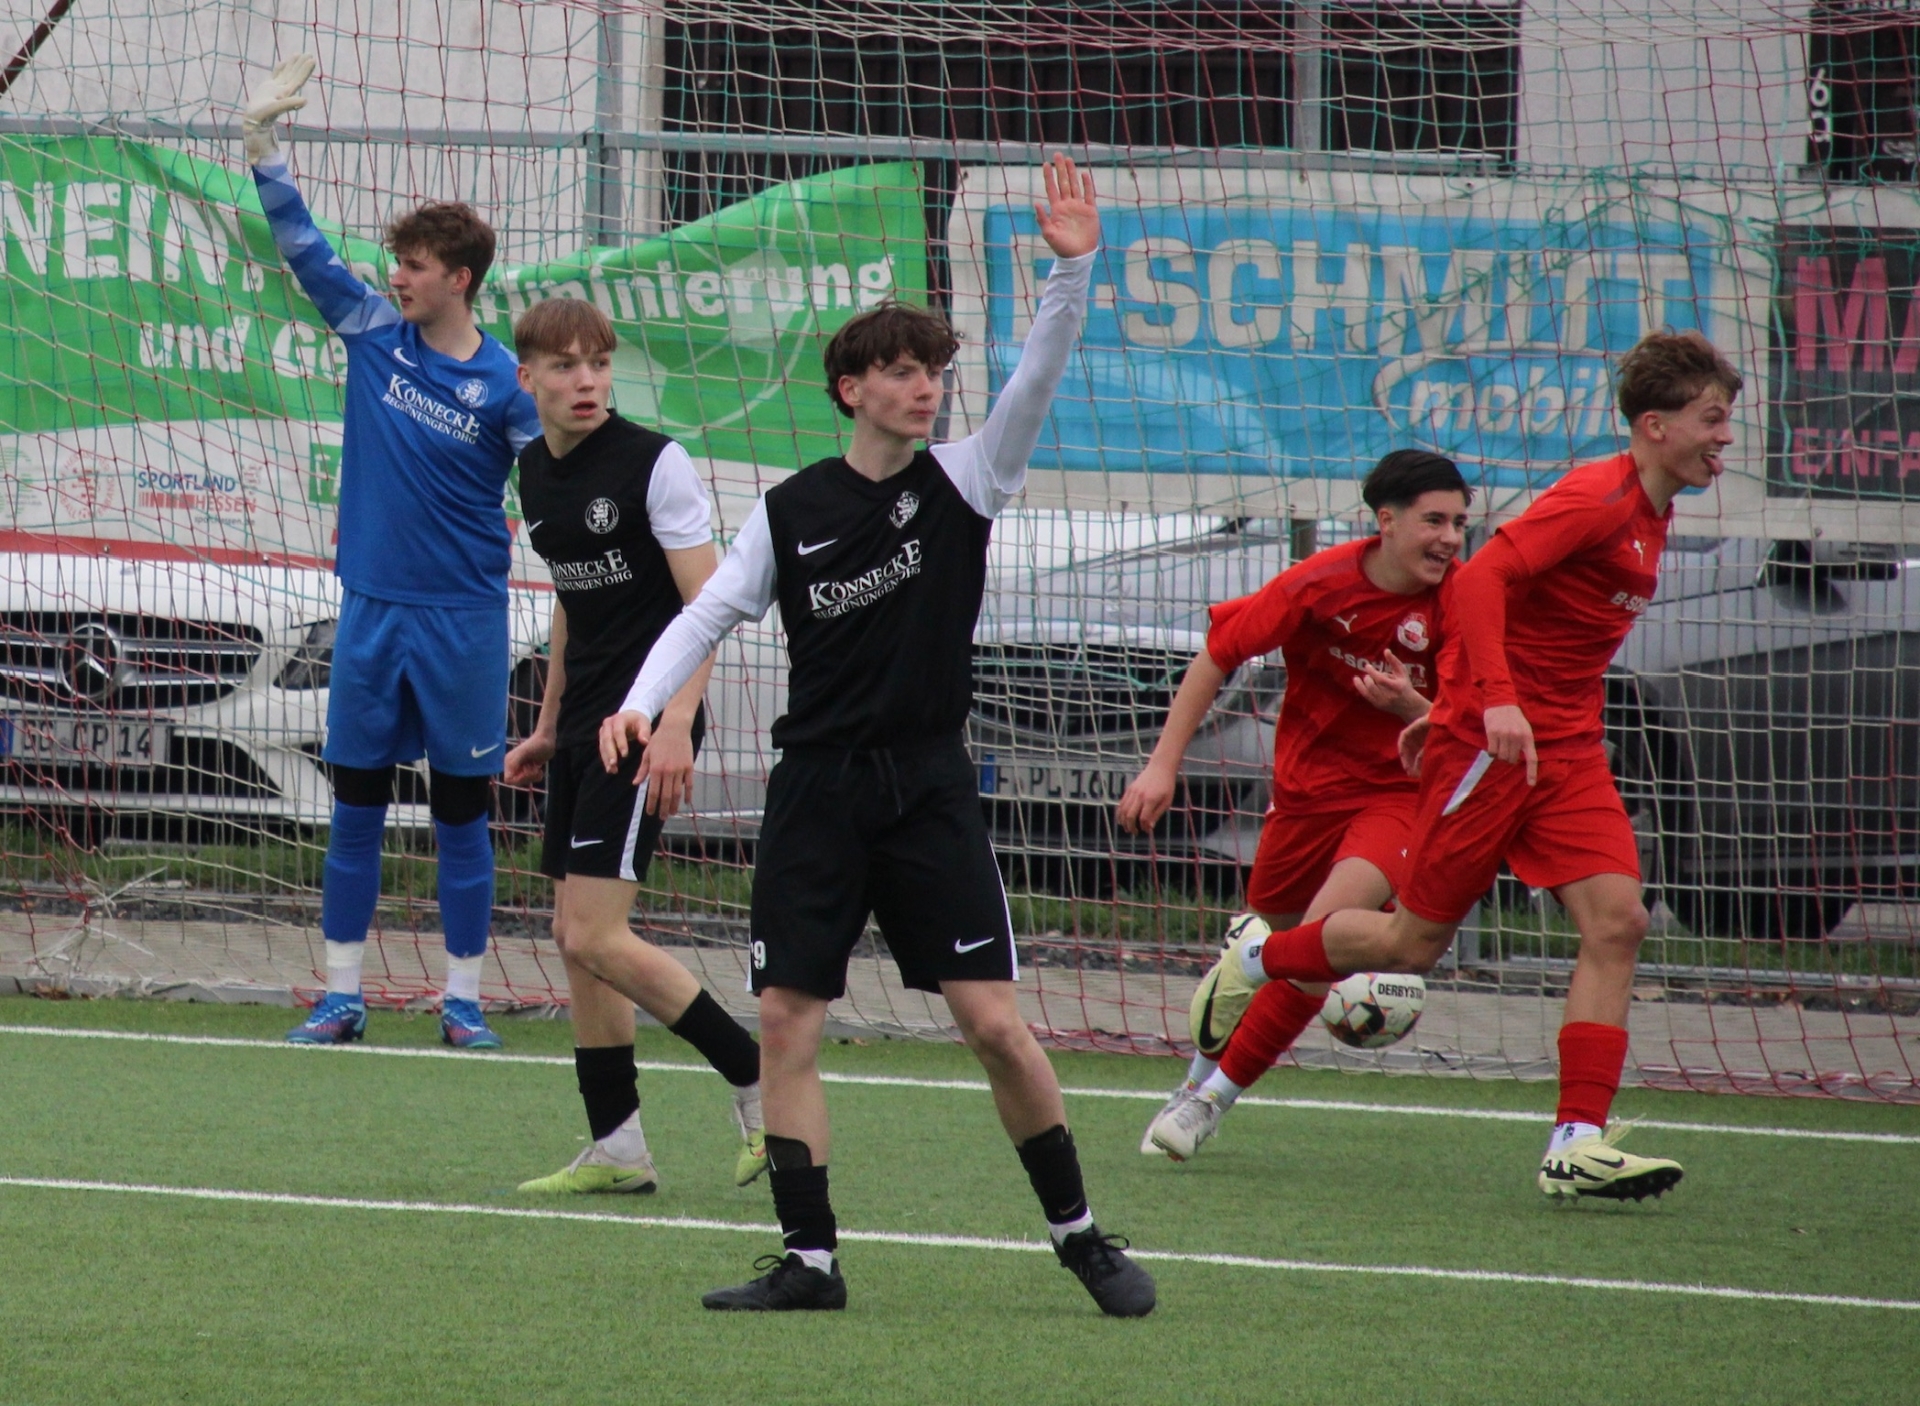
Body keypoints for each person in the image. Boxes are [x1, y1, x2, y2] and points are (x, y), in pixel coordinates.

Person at [602, 155, 1154, 1317]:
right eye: (903, 371)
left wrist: (1074, 269)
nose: (926, 388)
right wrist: (642, 701)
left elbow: (1040, 372)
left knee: (992, 1022)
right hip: (816, 792)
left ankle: (1081, 1235)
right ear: (850, 387)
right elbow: (706, 613)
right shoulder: (790, 510)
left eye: (935, 372)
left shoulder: (970, 479)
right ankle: (809, 1260)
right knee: (786, 1019)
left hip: (926, 790)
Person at [1190, 330, 1741, 1200]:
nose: (1724, 437)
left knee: (1619, 922)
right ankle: (1259, 958)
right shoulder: (1595, 498)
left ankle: (1576, 1141)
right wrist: (1492, 702)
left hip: (1567, 752)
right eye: (1711, 419)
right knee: (1411, 943)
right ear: (1654, 425)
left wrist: (1444, 705)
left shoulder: (1651, 511)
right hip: (1494, 748)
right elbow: (1482, 582)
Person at [243, 56, 541, 1050]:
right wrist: (263, 152)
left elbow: (557, 482)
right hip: (371, 609)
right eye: (394, 263)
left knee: (461, 814)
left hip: (464, 621)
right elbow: (304, 251)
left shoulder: (508, 386)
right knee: (357, 805)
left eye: (412, 265)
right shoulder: (372, 334)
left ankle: (464, 1000)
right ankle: (341, 995)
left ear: (460, 279)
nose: (395, 277)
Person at [1116, 451, 1471, 1161]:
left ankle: (1207, 1102)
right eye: (1434, 521)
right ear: (1386, 520)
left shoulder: (1462, 601)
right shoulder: (1320, 583)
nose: (1450, 539)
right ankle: (1201, 1064)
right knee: (1281, 937)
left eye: (1460, 524)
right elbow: (1218, 653)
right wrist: (1161, 766)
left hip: (1400, 795)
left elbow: (1469, 720)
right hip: (1305, 798)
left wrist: (1415, 708)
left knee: (1317, 943)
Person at [502, 297, 767, 1193]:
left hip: (644, 726)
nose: (587, 381)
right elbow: (571, 601)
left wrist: (678, 723)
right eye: (566, 366)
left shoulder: (656, 464)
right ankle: (617, 1148)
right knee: (573, 937)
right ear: (528, 378)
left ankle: (757, 1078)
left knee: (594, 932)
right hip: (585, 726)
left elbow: (708, 609)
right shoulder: (533, 470)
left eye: (599, 363)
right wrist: (548, 726)